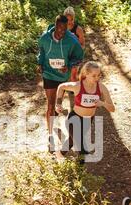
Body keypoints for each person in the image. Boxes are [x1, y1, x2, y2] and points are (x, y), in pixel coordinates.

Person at [37, 14, 84, 152]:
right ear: (55, 26)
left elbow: (79, 57)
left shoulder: (72, 40)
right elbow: (41, 52)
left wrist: (69, 66)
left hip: (63, 77)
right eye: (59, 30)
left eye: (64, 30)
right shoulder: (45, 38)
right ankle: (50, 136)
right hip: (49, 74)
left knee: (58, 105)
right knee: (50, 105)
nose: (61, 33)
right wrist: (40, 63)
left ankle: (57, 121)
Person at [54, 61, 115, 163]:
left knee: (72, 141)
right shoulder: (77, 86)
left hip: (87, 121)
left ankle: (59, 154)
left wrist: (103, 103)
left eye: (99, 75)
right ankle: (81, 176)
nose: (97, 78)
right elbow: (61, 86)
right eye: (94, 76)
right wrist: (58, 103)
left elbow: (112, 108)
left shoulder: (101, 87)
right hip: (74, 119)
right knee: (83, 150)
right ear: (86, 74)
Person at [63, 6, 85, 82]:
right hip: (64, 54)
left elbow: (82, 44)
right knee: (65, 75)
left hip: (76, 56)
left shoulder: (78, 29)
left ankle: (76, 91)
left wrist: (76, 52)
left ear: (74, 18)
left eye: (71, 19)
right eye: (67, 20)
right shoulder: (61, 28)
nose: (69, 22)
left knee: (73, 75)